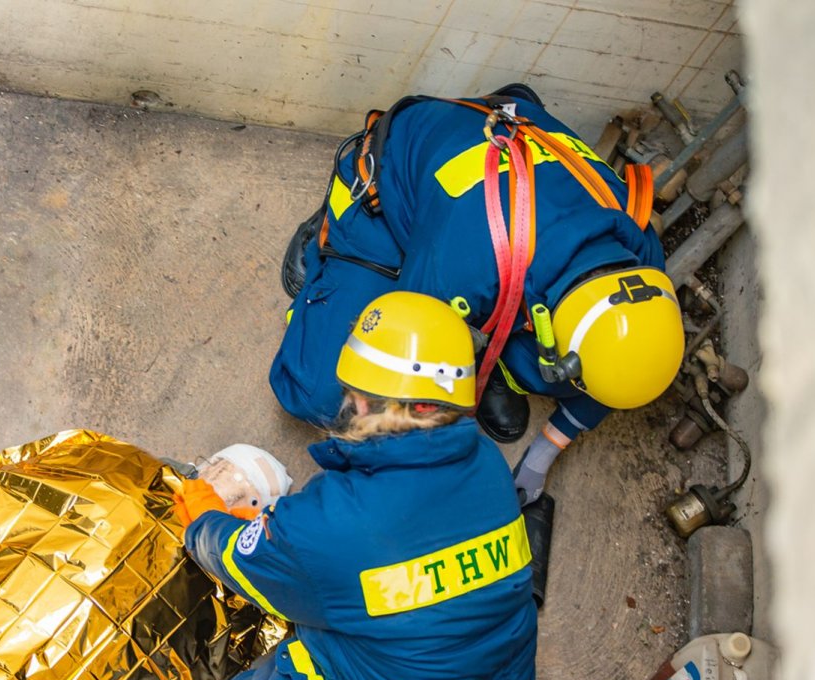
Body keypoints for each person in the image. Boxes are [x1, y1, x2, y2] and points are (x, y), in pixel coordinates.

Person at [177, 291, 536, 680]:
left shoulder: (330, 525)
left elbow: (238, 559)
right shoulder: (487, 465)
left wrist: (203, 520)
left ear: (362, 400)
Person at [270, 85, 685, 507]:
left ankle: (499, 361)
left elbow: (612, 370)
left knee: (551, 374)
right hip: (404, 166)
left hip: (500, 179)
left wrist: (541, 456)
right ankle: (337, 228)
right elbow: (406, 358)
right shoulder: (468, 266)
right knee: (317, 393)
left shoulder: (641, 260)